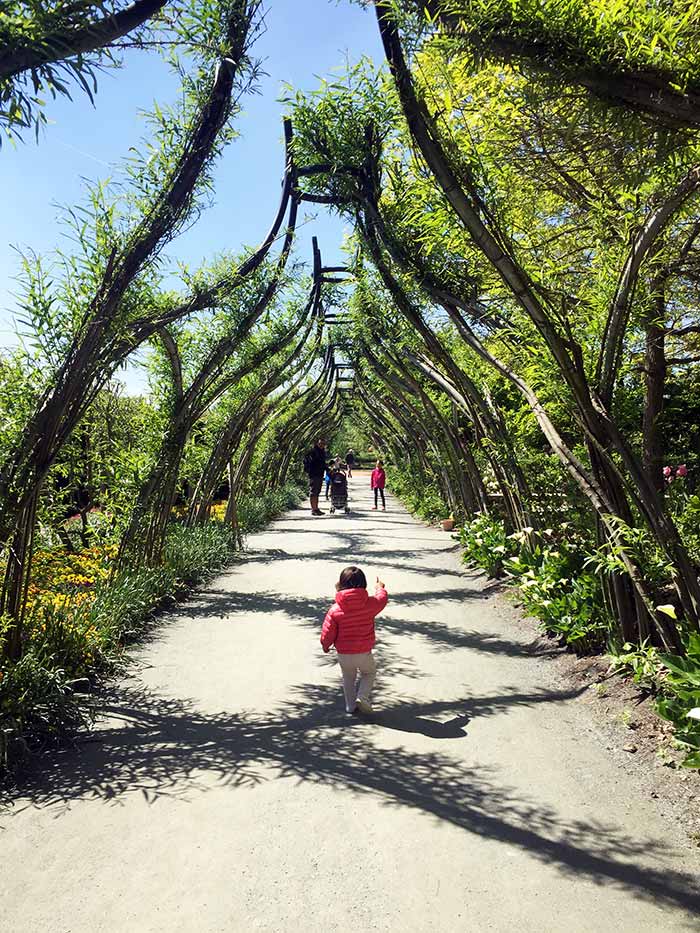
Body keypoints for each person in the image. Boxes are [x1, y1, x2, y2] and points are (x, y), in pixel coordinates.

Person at [320, 566, 388, 715]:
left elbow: (328, 632)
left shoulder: (335, 609)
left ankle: (350, 707)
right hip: (364, 652)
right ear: (364, 584)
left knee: (348, 678)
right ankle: (362, 697)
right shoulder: (370, 604)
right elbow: (382, 599)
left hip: (344, 653)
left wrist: (325, 645)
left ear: (341, 584)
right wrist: (379, 587)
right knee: (369, 673)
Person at [303, 437, 328, 516]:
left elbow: (322, 463)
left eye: (323, 444)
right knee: (313, 492)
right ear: (317, 443)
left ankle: (316, 508)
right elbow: (308, 461)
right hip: (314, 474)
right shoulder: (313, 451)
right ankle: (313, 509)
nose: (322, 445)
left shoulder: (322, 451)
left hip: (320, 474)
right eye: (320, 443)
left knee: (317, 492)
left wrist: (328, 469)